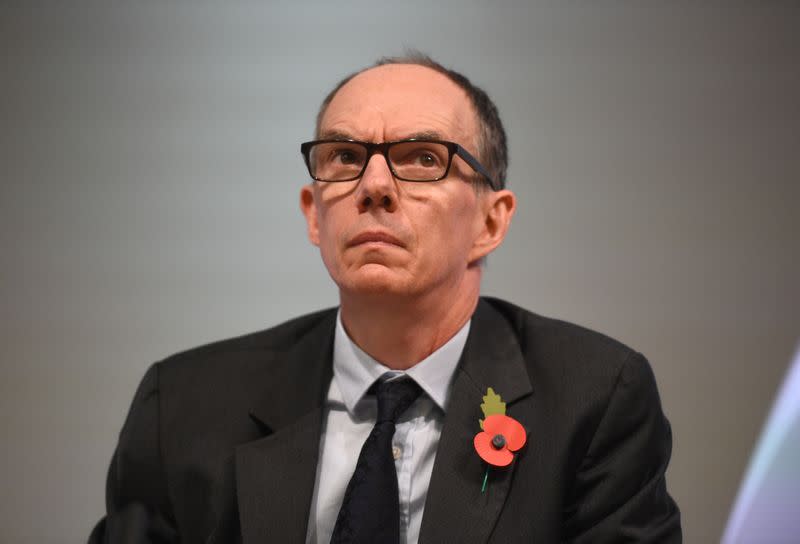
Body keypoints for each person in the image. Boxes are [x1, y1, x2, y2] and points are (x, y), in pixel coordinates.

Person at [89, 53, 681, 543]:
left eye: (423, 159)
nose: (374, 187)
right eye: (345, 158)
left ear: (491, 223)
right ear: (314, 214)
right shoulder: (186, 405)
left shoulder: (595, 400)